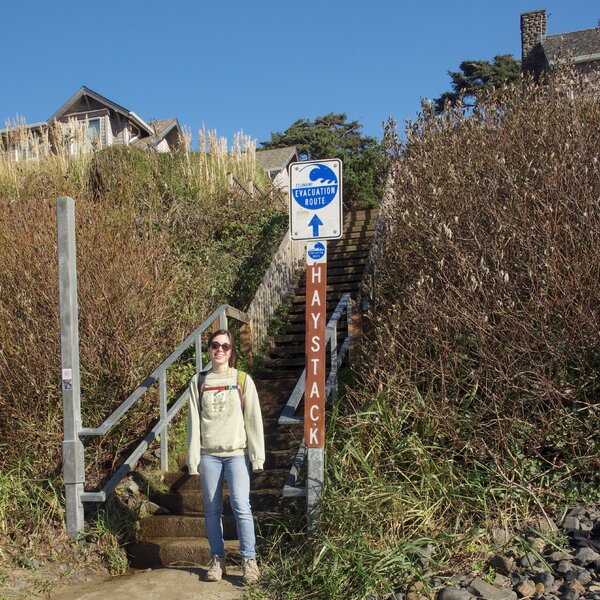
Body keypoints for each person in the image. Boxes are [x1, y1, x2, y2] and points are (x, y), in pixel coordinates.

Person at [186, 328, 264, 585]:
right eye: (214, 345)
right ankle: (217, 560)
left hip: (237, 454)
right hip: (209, 455)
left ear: (232, 352)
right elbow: (194, 423)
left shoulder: (242, 380)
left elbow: (253, 420)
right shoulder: (198, 381)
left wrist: (257, 457)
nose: (219, 350)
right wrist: (192, 459)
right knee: (211, 509)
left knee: (241, 506)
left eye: (225, 346)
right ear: (209, 349)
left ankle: (249, 561)